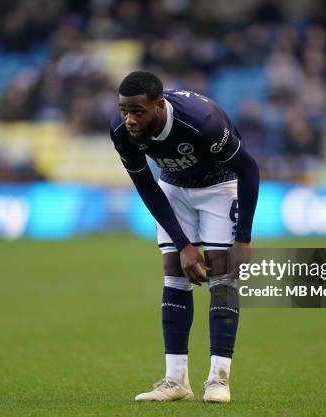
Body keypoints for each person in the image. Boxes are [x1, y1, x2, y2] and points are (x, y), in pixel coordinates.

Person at [109, 71, 259, 403]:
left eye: (137, 111)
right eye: (123, 110)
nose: (129, 119)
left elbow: (249, 169)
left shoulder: (202, 123)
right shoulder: (121, 131)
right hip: (174, 187)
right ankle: (175, 380)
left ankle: (218, 378)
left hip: (221, 185)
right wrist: (183, 245)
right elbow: (146, 186)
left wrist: (243, 240)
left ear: (159, 107)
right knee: (174, 274)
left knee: (222, 273)